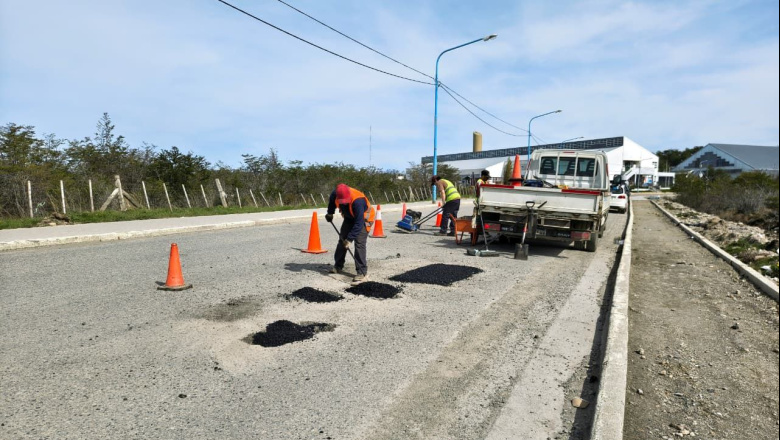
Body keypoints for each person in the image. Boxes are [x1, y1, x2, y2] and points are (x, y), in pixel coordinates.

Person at [325, 183, 374, 285]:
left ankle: (361, 272)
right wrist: (330, 213)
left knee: (359, 244)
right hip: (349, 217)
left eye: (345, 201)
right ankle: (338, 266)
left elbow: (359, 223)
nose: (344, 203)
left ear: (348, 195)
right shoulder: (335, 193)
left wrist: (350, 239)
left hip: (363, 219)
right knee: (342, 241)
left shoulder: (358, 201)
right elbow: (331, 203)